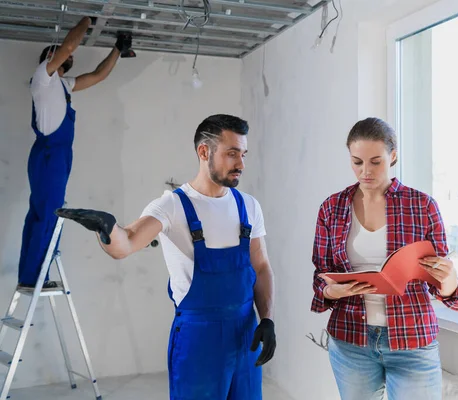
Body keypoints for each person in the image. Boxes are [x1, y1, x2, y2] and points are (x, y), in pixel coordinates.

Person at [55, 114, 276, 400]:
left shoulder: (248, 206)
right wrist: (106, 228)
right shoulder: (172, 206)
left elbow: (261, 266)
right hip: (199, 339)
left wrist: (267, 319)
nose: (241, 164)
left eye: (243, 154)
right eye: (232, 154)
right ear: (204, 152)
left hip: (246, 333)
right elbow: (126, 243)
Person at [311, 117, 458, 400]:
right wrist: (332, 290)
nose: (365, 171)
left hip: (412, 338)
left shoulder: (422, 206)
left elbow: (443, 287)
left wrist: (450, 280)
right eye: (357, 162)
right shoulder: (332, 208)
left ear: (393, 156)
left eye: (375, 161)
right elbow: (321, 273)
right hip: (350, 339)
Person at [17, 16, 134, 289]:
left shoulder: (63, 86)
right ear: (49, 58)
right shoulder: (42, 79)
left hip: (57, 157)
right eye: (58, 57)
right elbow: (68, 48)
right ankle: (34, 277)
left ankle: (33, 275)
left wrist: (117, 49)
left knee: (44, 214)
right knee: (48, 214)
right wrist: (88, 19)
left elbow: (97, 75)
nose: (67, 60)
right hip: (49, 156)